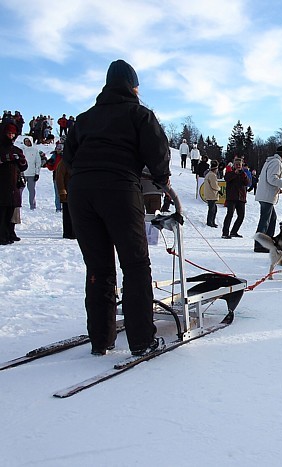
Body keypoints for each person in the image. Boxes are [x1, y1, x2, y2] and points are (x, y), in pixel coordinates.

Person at [63, 59, 171, 357]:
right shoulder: (139, 114)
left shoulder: (85, 118)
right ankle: (141, 340)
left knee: (98, 267)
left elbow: (68, 156)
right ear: (132, 86)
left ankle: (101, 339)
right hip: (120, 190)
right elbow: (158, 152)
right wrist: (161, 178)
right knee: (135, 265)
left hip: (81, 193)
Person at [255, 146, 282, 252]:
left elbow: (269, 181)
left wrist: (280, 189)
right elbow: (272, 179)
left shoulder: (271, 161)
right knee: (265, 221)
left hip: (265, 195)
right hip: (267, 196)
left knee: (272, 219)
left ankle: (268, 243)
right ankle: (260, 244)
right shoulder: (276, 162)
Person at [0, 121, 28, 245]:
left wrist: (21, 160)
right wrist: (7, 157)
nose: (11, 136)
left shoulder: (16, 149)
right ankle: (2, 235)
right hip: (2, 185)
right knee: (2, 211)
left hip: (13, 186)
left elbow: (23, 167)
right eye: (9, 133)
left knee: (11, 211)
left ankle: (9, 233)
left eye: (13, 134)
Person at [222, 158, 250, 238]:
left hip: (241, 198)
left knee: (241, 216)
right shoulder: (229, 173)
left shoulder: (243, 174)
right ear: (234, 165)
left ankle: (234, 231)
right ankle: (225, 233)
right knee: (229, 214)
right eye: (237, 165)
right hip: (232, 197)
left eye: (239, 165)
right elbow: (227, 178)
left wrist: (244, 175)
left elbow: (248, 183)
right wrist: (235, 173)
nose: (238, 166)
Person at [54, 157, 75, 239]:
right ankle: (68, 233)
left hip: (75, 193)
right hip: (67, 193)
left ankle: (74, 232)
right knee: (67, 214)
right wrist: (62, 191)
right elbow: (59, 177)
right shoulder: (64, 162)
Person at [19, 137, 42, 210]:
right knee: (20, 189)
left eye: (28, 141)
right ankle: (18, 204)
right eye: (25, 141)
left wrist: (37, 173)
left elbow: (38, 162)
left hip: (32, 174)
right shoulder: (21, 150)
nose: (27, 142)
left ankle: (32, 205)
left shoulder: (35, 150)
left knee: (32, 190)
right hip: (23, 173)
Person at [202, 160, 220, 228]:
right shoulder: (212, 175)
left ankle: (211, 221)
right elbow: (214, 186)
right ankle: (210, 222)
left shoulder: (208, 174)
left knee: (213, 208)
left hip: (209, 194)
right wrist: (219, 189)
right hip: (211, 194)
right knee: (212, 209)